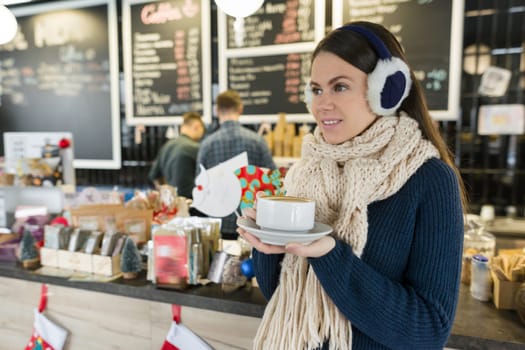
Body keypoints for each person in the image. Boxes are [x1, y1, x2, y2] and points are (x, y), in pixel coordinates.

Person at [238, 21, 466, 350]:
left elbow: (429, 330)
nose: (322, 104)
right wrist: (266, 245)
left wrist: (330, 255)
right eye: (316, 89)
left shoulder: (429, 180)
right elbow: (283, 296)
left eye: (339, 87)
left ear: (387, 89)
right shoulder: (305, 173)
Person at [197, 89, 275, 239]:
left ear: (217, 110)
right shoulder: (257, 141)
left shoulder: (207, 144)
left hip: (218, 223)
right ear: (240, 109)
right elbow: (273, 179)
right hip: (252, 224)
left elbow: (200, 186)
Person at [148, 111, 205, 199]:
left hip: (172, 204)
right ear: (197, 127)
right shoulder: (197, 148)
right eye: (203, 129)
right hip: (192, 203)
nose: (202, 134)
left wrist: (167, 195)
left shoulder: (166, 146)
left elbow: (154, 176)